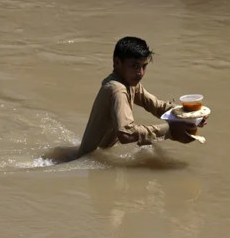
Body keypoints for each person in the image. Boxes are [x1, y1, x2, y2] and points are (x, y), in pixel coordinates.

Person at [78, 36, 206, 157]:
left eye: (144, 66)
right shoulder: (117, 89)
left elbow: (156, 106)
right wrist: (170, 130)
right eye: (134, 66)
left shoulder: (129, 83)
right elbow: (126, 134)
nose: (140, 73)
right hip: (89, 158)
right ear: (117, 63)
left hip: (101, 154)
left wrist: (190, 115)